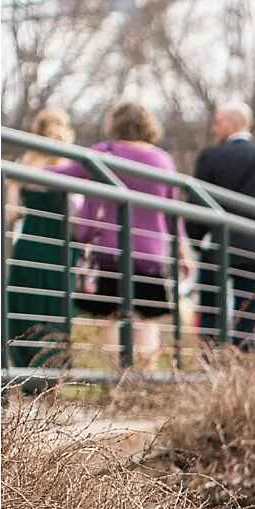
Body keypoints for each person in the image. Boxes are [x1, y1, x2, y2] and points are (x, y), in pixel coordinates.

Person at [61, 102, 191, 375]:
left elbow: (66, 173)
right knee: (146, 319)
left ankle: (118, 380)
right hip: (150, 254)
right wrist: (183, 252)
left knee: (112, 317)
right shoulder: (163, 161)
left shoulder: (105, 153)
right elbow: (173, 214)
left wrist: (28, 169)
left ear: (116, 123)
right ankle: (148, 380)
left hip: (111, 251)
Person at [193, 102, 255, 347]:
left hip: (216, 244)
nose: (214, 128)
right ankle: (242, 359)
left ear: (234, 124)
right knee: (247, 312)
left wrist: (196, 241)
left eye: (218, 122)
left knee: (210, 309)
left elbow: (197, 203)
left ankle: (210, 358)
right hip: (254, 247)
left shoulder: (211, 157)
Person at [5, 107, 77, 372]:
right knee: (56, 308)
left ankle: (24, 372)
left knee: (25, 305)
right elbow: (76, 214)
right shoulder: (70, 164)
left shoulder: (24, 164)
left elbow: (11, 213)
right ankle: (53, 371)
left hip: (30, 244)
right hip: (59, 247)